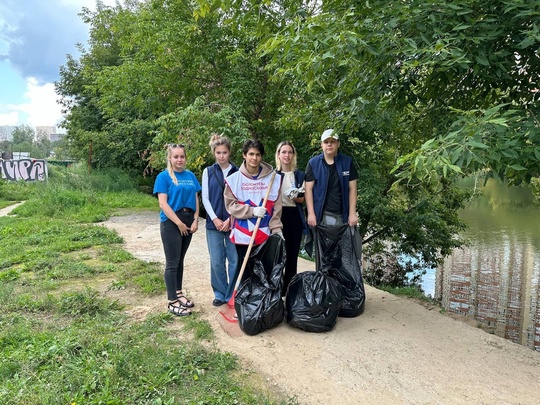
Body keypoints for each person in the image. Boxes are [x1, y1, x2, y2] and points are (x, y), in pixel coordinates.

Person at [224, 139, 283, 296]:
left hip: (264, 232)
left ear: (261, 156)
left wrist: (276, 227)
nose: (254, 158)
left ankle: (260, 304)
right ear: (244, 155)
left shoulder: (273, 179)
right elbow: (230, 206)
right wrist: (251, 211)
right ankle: (244, 303)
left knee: (263, 269)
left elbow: (276, 206)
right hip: (243, 233)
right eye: (251, 154)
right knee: (245, 269)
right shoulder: (234, 179)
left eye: (258, 155)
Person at [153, 143, 201, 317]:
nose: (179, 159)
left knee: (180, 260)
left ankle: (179, 293)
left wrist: (195, 220)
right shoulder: (164, 177)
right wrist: (179, 223)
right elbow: (163, 204)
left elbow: (196, 199)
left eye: (182, 156)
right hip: (172, 222)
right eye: (176, 157)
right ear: (170, 158)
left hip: (189, 219)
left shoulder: (190, 176)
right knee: (172, 262)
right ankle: (172, 301)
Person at [201, 134, 239, 307]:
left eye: (224, 152)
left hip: (234, 223)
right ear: (214, 153)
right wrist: (215, 219)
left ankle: (232, 293)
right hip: (213, 224)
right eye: (218, 152)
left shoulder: (238, 172)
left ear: (229, 152)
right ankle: (220, 293)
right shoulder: (208, 171)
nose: (221, 156)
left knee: (234, 260)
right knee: (216, 261)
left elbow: (241, 198)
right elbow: (205, 198)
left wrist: (231, 219)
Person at [305, 129, 358, 227]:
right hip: (322, 215)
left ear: (338, 144)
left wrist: (352, 213)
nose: (329, 144)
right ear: (321, 145)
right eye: (326, 142)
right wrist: (311, 214)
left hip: (344, 215)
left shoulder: (347, 162)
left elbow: (353, 189)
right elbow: (308, 189)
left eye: (332, 142)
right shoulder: (313, 163)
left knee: (348, 242)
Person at [275, 141, 307, 295]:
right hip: (277, 217)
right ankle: (276, 289)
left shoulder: (300, 175)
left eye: (289, 152)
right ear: (278, 155)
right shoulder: (273, 175)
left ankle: (289, 291)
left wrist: (295, 196)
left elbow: (303, 199)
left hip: (294, 216)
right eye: (283, 152)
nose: (286, 155)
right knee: (277, 255)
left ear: (293, 155)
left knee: (292, 255)